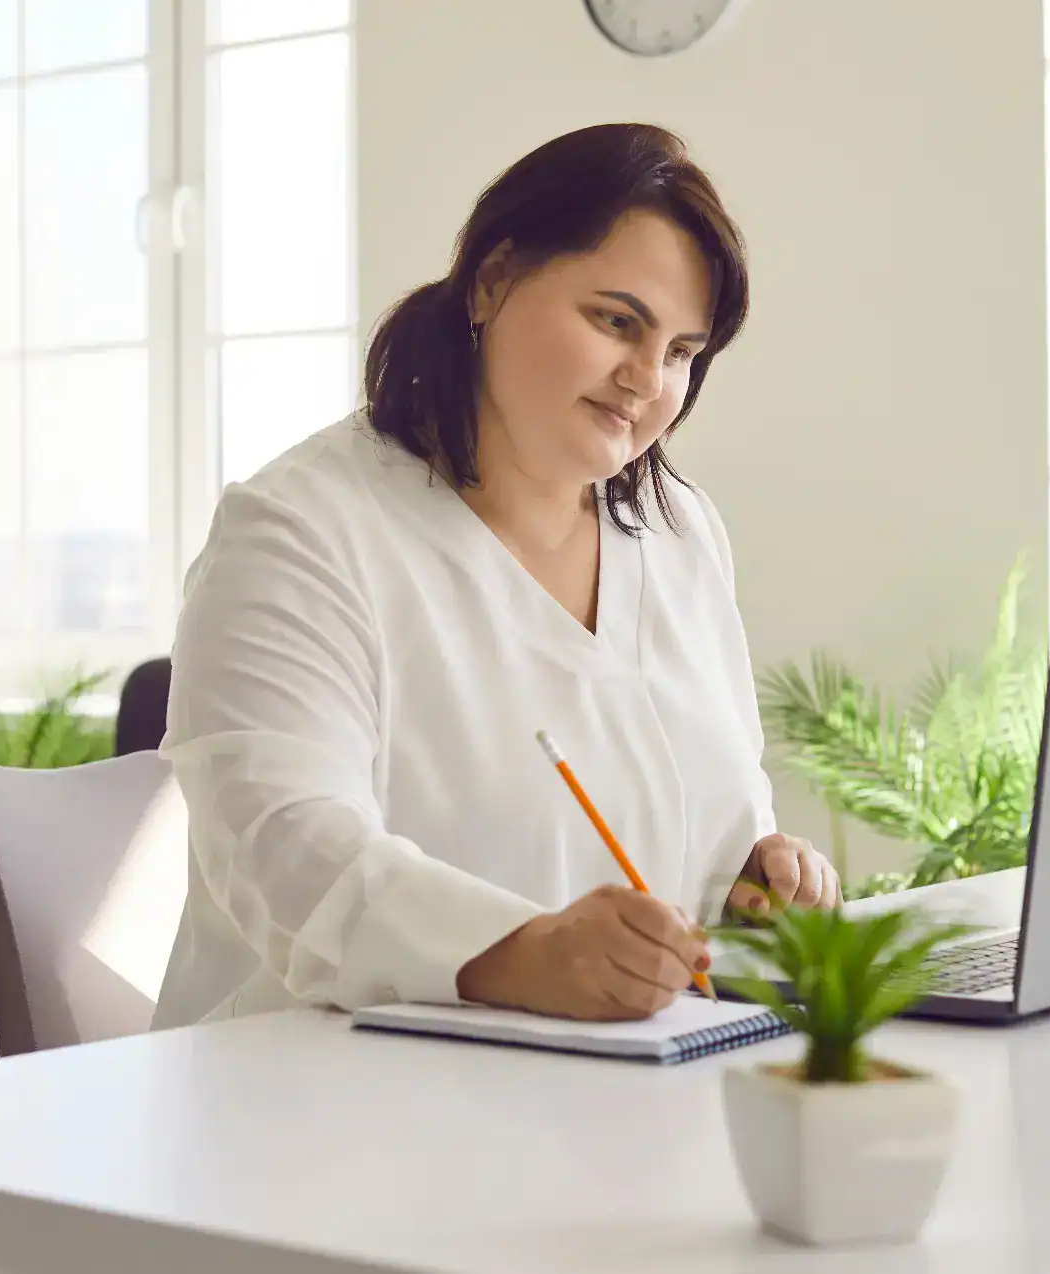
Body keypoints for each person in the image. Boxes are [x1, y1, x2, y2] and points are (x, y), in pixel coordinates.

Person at [151, 123, 839, 1031]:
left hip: (617, 1090)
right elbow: (285, 848)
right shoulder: (298, 533)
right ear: (492, 281)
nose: (646, 380)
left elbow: (722, 807)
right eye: (616, 321)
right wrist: (521, 954)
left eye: (681, 352)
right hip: (322, 1097)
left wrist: (760, 876)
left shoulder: (680, 531)